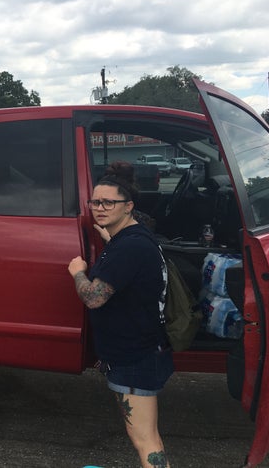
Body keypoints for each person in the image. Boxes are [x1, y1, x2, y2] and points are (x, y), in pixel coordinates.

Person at [68, 161, 172, 468]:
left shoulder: (131, 248)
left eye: (108, 202)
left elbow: (94, 298)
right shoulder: (131, 239)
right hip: (138, 351)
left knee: (146, 440)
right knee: (147, 436)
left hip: (134, 357)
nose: (99, 208)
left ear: (128, 206)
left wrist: (78, 272)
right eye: (95, 202)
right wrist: (108, 239)